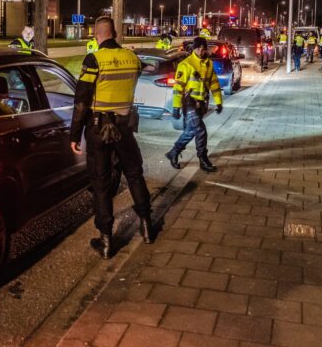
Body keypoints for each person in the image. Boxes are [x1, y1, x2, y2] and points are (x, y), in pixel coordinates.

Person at [70, 16, 154, 259]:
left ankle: (106, 240)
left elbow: (81, 100)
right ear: (115, 33)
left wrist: (74, 134)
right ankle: (147, 225)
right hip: (124, 126)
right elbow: (139, 72)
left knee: (101, 182)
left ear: (97, 34)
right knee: (135, 173)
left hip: (99, 129)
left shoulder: (94, 59)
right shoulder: (131, 58)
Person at [165, 37, 223, 173]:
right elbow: (178, 87)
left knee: (191, 131)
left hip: (201, 103)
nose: (202, 51)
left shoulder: (208, 64)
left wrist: (219, 102)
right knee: (201, 130)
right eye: (199, 49)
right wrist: (176, 106)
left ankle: (174, 152)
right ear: (195, 48)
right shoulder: (186, 64)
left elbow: (214, 84)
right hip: (189, 102)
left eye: (204, 49)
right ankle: (203, 159)